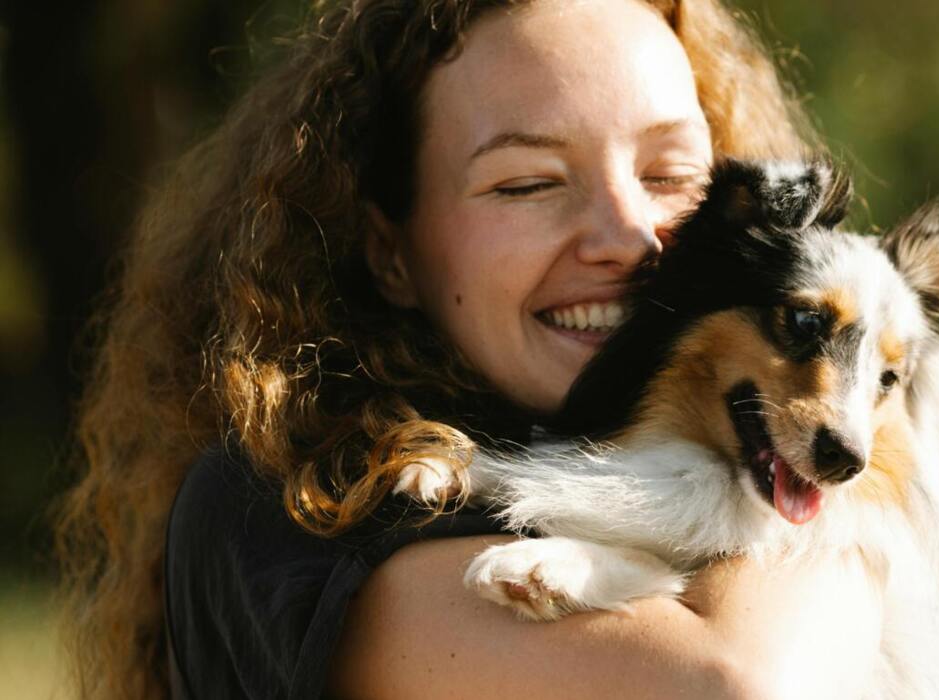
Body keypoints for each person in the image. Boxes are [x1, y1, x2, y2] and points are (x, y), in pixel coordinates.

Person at [55, 1, 886, 698]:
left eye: (671, 176)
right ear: (389, 250)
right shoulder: (290, 501)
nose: (629, 239)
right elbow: (735, 682)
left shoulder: (726, 434)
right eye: (526, 184)